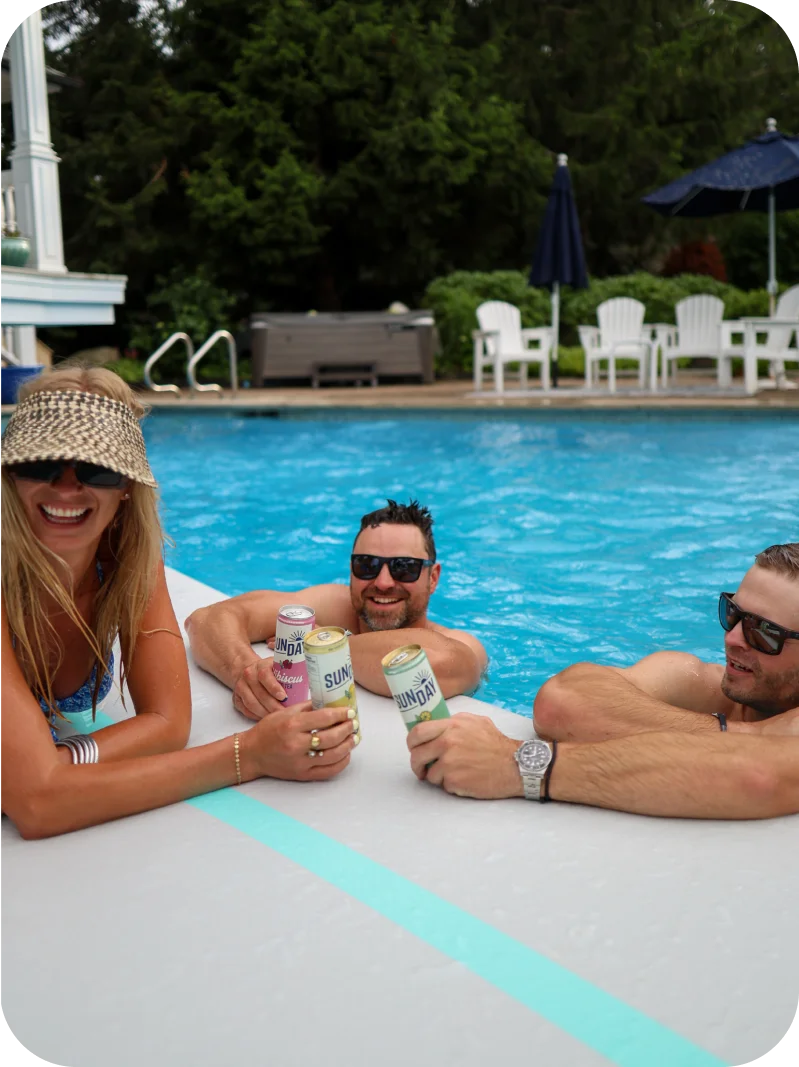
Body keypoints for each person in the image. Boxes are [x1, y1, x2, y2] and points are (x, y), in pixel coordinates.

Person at [0, 368, 356, 840]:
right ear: (10, 474)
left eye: (96, 469)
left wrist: (64, 763)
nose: (67, 487)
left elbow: (168, 723)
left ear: (126, 487)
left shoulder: (124, 561)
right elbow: (39, 806)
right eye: (42, 463)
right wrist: (247, 755)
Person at [407, 543, 799, 819]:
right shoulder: (703, 683)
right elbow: (563, 699)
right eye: (732, 614)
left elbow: (755, 777)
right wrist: (752, 737)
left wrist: (515, 767)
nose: (731, 639)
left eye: (764, 632)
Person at [186, 499, 487, 719]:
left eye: (403, 568)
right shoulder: (334, 605)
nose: (382, 582)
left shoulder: (462, 643)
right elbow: (206, 619)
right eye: (366, 565)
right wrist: (245, 673)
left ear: (432, 578)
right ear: (351, 569)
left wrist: (324, 650)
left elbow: (430, 664)